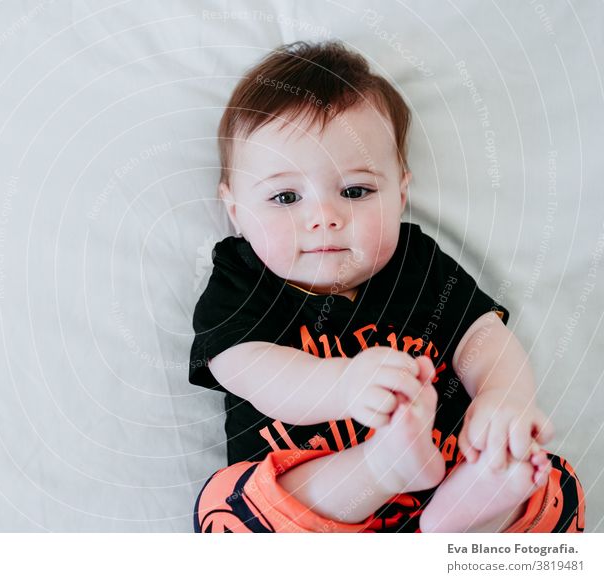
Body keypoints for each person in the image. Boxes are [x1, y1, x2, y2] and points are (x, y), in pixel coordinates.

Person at [188, 41, 584, 533]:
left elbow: (482, 336)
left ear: (401, 193)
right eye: (285, 197)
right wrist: (345, 386)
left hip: (445, 476)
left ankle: (470, 508)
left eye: (356, 191)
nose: (325, 218)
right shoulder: (242, 279)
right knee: (227, 507)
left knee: (547, 483)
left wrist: (503, 396)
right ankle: (382, 468)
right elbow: (248, 369)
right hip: (314, 509)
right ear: (234, 209)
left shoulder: (415, 264)